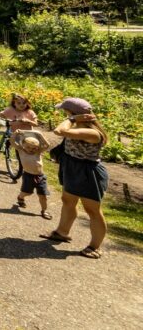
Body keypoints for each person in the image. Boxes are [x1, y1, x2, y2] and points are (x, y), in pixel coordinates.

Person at [40, 97, 109, 259]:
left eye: (66, 112)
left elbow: (59, 131)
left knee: (92, 210)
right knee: (68, 201)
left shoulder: (91, 132)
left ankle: (95, 246)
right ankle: (62, 232)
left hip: (87, 173)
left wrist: (71, 119)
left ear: (73, 113)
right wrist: (74, 119)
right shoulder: (78, 126)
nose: (65, 114)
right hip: (72, 168)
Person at [12, 130, 51, 219]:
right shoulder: (21, 151)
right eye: (28, 147)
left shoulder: (38, 152)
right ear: (23, 145)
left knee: (43, 195)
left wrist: (40, 134)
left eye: (34, 148)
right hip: (28, 176)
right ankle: (21, 197)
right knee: (27, 192)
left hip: (40, 177)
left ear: (37, 148)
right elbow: (12, 141)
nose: (31, 150)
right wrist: (15, 134)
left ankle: (44, 210)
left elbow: (47, 145)